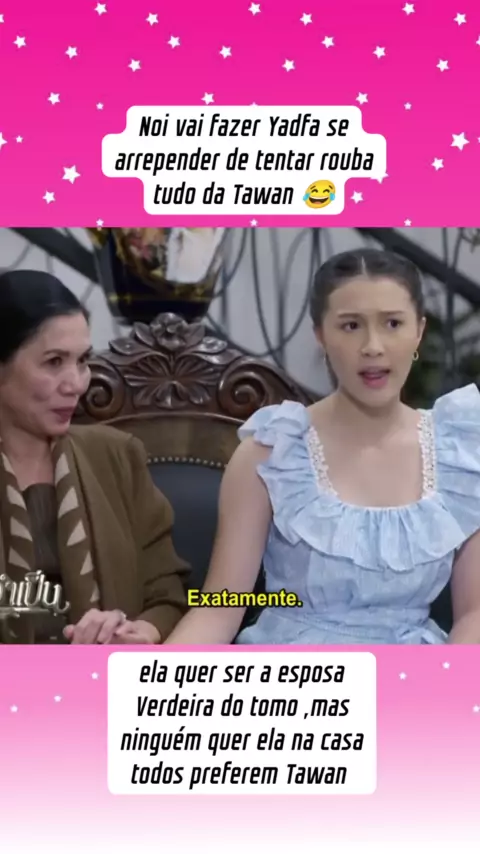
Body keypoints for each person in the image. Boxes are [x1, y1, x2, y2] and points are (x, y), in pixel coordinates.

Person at [165, 248, 480, 646]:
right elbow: (219, 607)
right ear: (321, 335)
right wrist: (154, 678)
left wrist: (443, 684)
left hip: (414, 674)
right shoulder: (272, 452)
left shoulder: (460, 452)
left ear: (418, 331)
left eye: (393, 323)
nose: (373, 346)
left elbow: (474, 614)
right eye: (351, 326)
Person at [0, 270, 188, 644]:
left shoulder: (116, 456)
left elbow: (168, 594)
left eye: (83, 361)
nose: (76, 384)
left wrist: (137, 633)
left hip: (100, 673)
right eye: (54, 362)